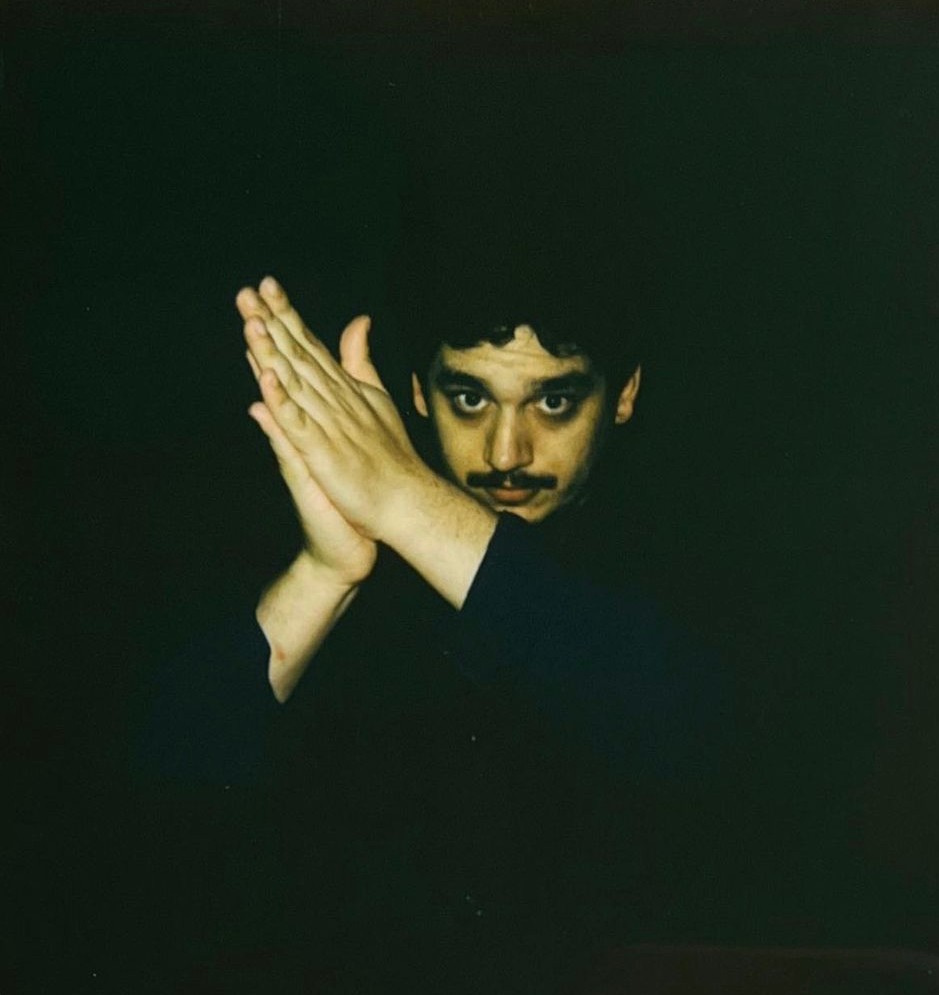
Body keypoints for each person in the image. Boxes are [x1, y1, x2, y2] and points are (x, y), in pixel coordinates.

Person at [196, 273, 732, 993]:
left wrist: (404, 497)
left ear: (624, 393)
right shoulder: (330, 550)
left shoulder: (705, 561)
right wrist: (325, 572)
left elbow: (685, 731)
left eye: (554, 401)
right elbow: (157, 800)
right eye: (470, 399)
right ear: (420, 393)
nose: (506, 453)